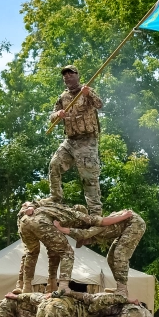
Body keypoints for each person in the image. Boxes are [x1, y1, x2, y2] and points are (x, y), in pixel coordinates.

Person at [17, 199, 130, 293]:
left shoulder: (57, 207)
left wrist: (30, 206)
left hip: (24, 221)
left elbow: (30, 202)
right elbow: (103, 221)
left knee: (33, 253)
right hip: (41, 222)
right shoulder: (78, 215)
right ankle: (63, 286)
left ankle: (26, 286)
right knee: (67, 252)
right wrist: (124, 216)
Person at [48, 64, 105, 216]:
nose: (67, 76)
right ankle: (55, 198)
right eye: (65, 75)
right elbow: (52, 116)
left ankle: (95, 212)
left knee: (88, 176)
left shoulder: (86, 90)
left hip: (87, 140)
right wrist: (58, 114)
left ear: (77, 75)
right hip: (70, 141)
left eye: (71, 74)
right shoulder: (62, 97)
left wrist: (88, 94)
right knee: (54, 165)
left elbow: (100, 104)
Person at [54, 209, 143, 297]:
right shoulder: (94, 236)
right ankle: (120, 287)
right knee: (110, 258)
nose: (85, 243)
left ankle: (122, 290)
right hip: (124, 228)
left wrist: (61, 229)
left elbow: (84, 233)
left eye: (83, 241)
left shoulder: (93, 228)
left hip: (134, 223)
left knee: (119, 254)